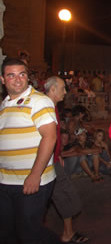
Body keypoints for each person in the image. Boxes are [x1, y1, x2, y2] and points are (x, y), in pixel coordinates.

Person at [0, 58, 61, 243]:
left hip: (31, 181)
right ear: (3, 79)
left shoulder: (38, 101)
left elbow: (50, 137)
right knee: (8, 232)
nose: (17, 79)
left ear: (28, 77)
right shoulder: (4, 105)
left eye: (22, 74)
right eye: (11, 75)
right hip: (5, 181)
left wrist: (35, 175)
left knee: (29, 233)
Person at [45, 76, 89, 243]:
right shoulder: (45, 107)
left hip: (54, 160)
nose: (65, 92)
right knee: (63, 195)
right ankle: (66, 234)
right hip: (48, 163)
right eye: (63, 88)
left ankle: (67, 233)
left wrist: (58, 155)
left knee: (63, 195)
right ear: (53, 89)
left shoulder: (53, 107)